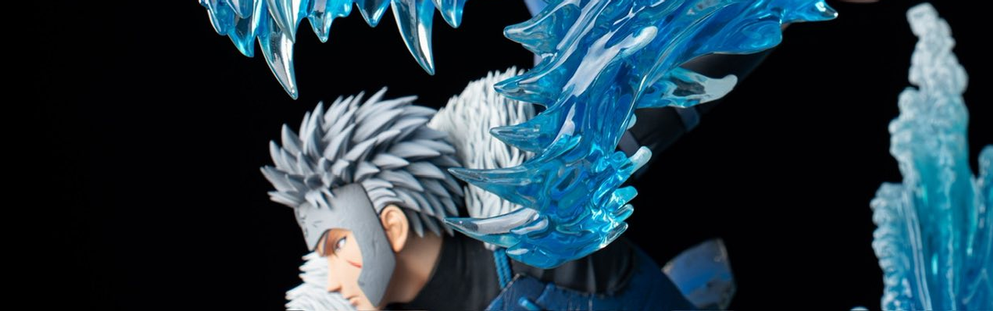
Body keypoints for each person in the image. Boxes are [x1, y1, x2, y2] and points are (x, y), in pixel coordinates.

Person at [263, 74, 699, 310]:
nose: (333, 280)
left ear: (392, 225)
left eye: (338, 244)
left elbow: (674, 96)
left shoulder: (540, 225)